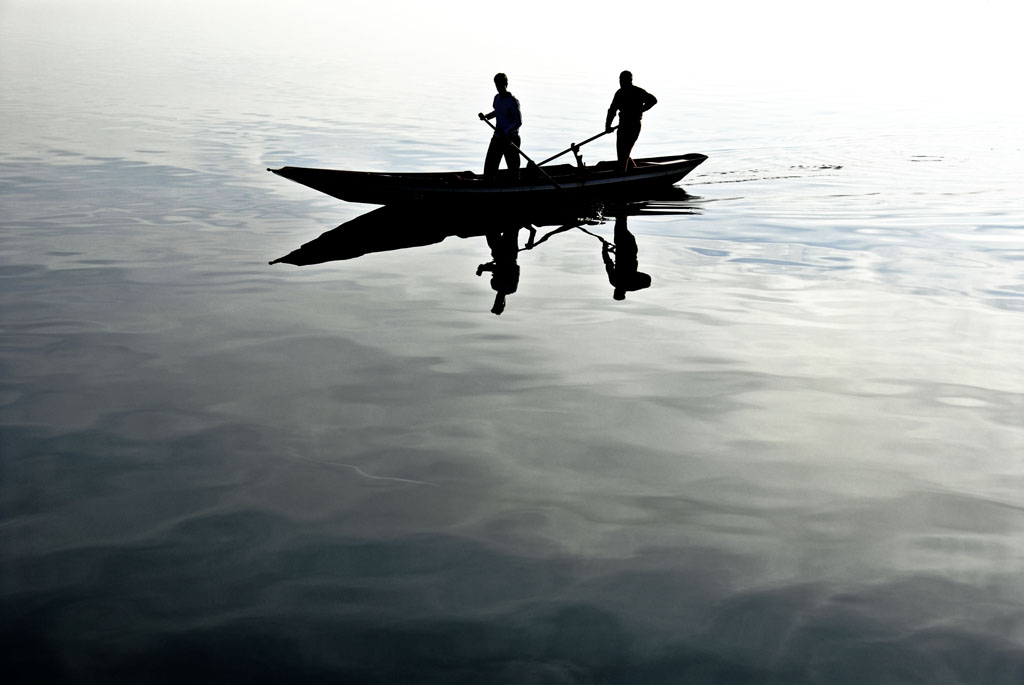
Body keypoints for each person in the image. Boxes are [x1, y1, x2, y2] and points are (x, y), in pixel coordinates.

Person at [605, 71, 657, 172]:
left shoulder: (638, 91)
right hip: (622, 127)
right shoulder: (619, 93)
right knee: (622, 155)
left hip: (633, 127)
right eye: (620, 80)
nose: (621, 82)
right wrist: (608, 126)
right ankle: (632, 170)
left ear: (630, 80)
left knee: (624, 153)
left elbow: (653, 100)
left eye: (623, 80)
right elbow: (612, 110)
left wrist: (642, 109)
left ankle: (622, 176)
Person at [478, 73, 522, 179]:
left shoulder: (512, 102)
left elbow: (518, 122)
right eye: (497, 85)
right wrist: (487, 116)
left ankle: (517, 187)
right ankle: (489, 185)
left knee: (514, 172)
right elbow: (497, 112)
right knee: (489, 170)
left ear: (506, 84)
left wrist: (506, 132)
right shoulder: (497, 98)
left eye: (500, 85)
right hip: (497, 138)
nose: (498, 88)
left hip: (510, 139)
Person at [602, 213, 651, 300]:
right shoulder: (615, 282)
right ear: (615, 291)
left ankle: (622, 210)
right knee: (621, 221)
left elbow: (648, 280)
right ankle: (621, 208)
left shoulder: (630, 286)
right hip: (624, 248)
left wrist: (633, 273)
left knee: (621, 221)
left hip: (630, 250)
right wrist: (604, 249)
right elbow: (607, 262)